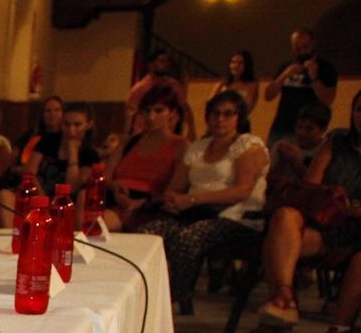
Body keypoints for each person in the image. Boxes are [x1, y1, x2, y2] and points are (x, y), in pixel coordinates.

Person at [242, 89, 361, 333]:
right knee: (284, 217)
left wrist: (353, 208)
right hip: (325, 218)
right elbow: (311, 185)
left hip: (355, 232)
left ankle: (275, 323)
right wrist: (334, 198)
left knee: (278, 242)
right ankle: (284, 298)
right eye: (359, 109)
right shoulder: (337, 140)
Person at [136, 90, 269, 311]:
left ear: (239, 117)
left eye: (228, 114)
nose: (220, 119)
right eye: (215, 113)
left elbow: (242, 191)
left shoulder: (248, 145)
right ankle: (141, 293)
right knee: (147, 233)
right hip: (195, 213)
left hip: (236, 217)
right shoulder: (198, 148)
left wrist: (192, 199)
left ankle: (169, 300)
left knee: (188, 238)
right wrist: (173, 200)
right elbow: (175, 187)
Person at [103, 84, 189, 231]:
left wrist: (140, 203)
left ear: (172, 113)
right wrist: (115, 186)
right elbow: (105, 177)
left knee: (100, 223)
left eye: (159, 110)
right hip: (116, 197)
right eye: (147, 111)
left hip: (149, 205)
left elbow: (175, 190)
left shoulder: (181, 145)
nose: (151, 117)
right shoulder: (129, 142)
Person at [264, 28, 338, 148]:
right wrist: (284, 75)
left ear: (313, 44)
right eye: (298, 48)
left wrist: (314, 76)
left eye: (305, 47)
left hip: (308, 130)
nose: (302, 52)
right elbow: (268, 95)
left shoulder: (325, 67)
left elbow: (327, 100)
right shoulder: (286, 66)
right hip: (281, 127)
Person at [27, 100, 99, 194]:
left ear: (89, 125)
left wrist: (73, 152)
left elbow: (72, 188)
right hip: (38, 195)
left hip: (67, 200)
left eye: (77, 125)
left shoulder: (90, 154)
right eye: (66, 124)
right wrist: (42, 198)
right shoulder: (48, 139)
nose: (71, 130)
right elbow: (30, 173)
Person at [124, 49, 192, 138]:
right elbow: (130, 114)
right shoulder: (140, 88)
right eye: (162, 61)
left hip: (168, 134)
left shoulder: (174, 85)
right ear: (151, 65)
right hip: (145, 134)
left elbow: (184, 108)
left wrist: (191, 129)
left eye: (167, 61)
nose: (166, 64)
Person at [268, 101, 331, 187]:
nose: (301, 133)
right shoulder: (284, 144)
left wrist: (295, 161)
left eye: (309, 129)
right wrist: (281, 161)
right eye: (299, 126)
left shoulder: (325, 151)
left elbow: (316, 185)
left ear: (323, 130)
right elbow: (270, 180)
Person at [211, 49, 259, 115]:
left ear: (247, 65)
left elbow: (248, 108)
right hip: (221, 118)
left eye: (240, 63)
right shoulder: (222, 83)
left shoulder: (251, 84)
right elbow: (210, 105)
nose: (236, 66)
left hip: (240, 119)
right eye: (233, 62)